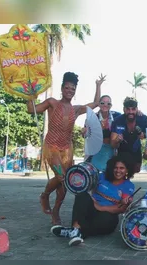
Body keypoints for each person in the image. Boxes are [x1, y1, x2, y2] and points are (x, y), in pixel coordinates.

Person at [26, 72, 106, 225]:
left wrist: (98, 85)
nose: (70, 90)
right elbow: (31, 110)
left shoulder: (76, 109)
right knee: (61, 176)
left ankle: (56, 212)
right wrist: (30, 95)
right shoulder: (52, 103)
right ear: (62, 89)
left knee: (64, 183)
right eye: (67, 87)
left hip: (67, 148)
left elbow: (96, 103)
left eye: (73, 88)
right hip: (52, 146)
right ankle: (45, 195)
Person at [50, 154, 136, 246]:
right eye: (115, 167)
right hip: (91, 209)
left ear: (127, 170)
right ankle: (75, 229)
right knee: (82, 195)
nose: (118, 171)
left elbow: (121, 208)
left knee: (109, 222)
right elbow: (81, 180)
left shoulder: (128, 186)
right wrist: (67, 179)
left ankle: (75, 232)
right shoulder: (101, 177)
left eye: (122, 168)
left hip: (107, 215)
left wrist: (100, 207)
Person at [110, 97, 147, 173]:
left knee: (136, 170)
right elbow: (112, 145)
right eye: (128, 109)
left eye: (133, 109)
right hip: (122, 150)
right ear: (124, 109)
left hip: (136, 150)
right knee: (121, 171)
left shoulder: (143, 119)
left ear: (137, 109)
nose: (130, 112)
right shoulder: (118, 120)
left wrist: (143, 135)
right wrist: (117, 140)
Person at [83, 95, 122, 171]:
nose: (105, 105)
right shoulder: (92, 117)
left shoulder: (117, 116)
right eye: (102, 103)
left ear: (111, 105)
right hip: (96, 151)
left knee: (109, 173)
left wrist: (138, 112)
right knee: (95, 173)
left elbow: (127, 116)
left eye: (108, 103)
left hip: (110, 151)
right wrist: (83, 132)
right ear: (99, 104)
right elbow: (86, 135)